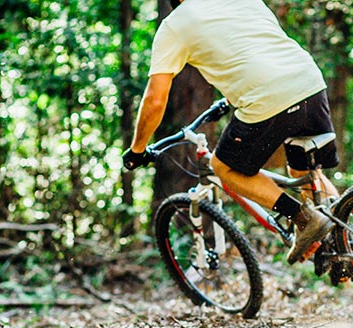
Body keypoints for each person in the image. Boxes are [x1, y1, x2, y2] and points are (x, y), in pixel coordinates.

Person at [123, 0, 339, 264]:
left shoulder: (174, 25)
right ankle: (347, 247)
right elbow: (253, 42)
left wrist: (137, 149)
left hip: (268, 97)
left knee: (224, 168)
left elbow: (156, 100)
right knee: (304, 174)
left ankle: (304, 218)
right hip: (309, 82)